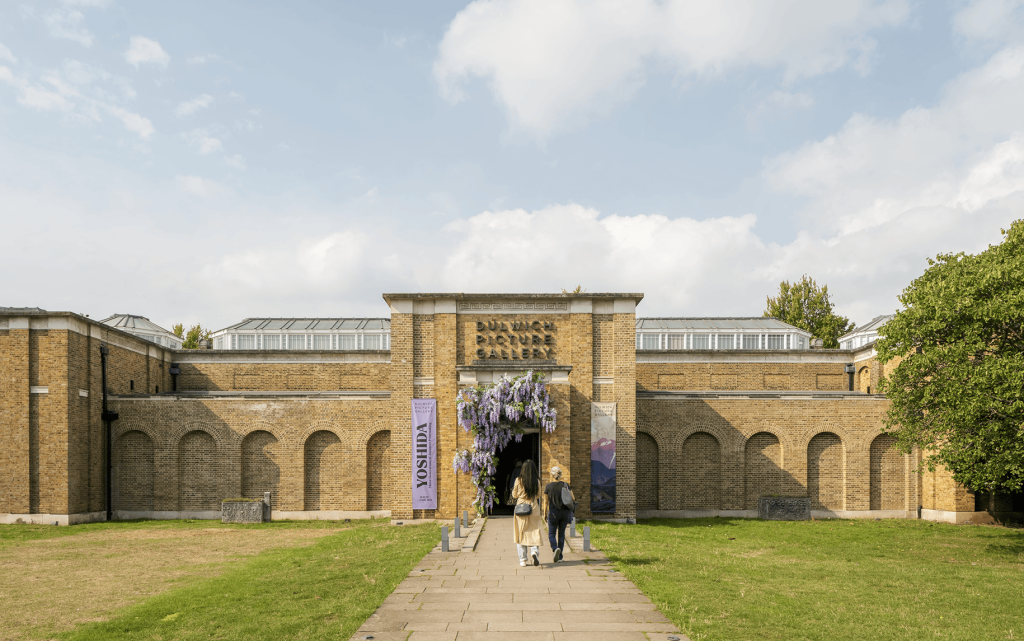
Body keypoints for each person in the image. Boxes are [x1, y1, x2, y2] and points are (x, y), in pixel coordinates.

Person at [511, 459, 544, 567]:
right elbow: (539, 494)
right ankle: (534, 552)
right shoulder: (537, 481)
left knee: (520, 532)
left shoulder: (518, 480)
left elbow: (514, 495)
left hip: (521, 507)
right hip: (533, 507)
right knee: (534, 530)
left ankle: (523, 560)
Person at [544, 466, 575, 563]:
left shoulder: (548, 486)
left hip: (553, 513)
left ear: (552, 475)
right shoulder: (565, 485)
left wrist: (545, 513)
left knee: (551, 534)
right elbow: (573, 498)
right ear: (560, 474)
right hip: (565, 513)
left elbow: (546, 502)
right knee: (561, 535)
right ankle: (560, 556)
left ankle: (555, 548)